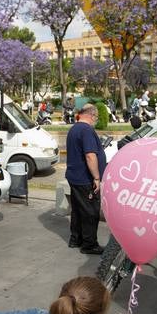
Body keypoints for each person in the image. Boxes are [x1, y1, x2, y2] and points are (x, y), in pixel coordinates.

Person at [65, 103, 106, 254]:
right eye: (96, 117)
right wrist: (96, 177)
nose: (96, 120)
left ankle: (76, 239)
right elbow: (90, 155)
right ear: (92, 115)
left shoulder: (74, 128)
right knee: (90, 211)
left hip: (74, 177)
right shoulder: (86, 130)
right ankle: (89, 244)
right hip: (85, 179)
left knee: (77, 209)